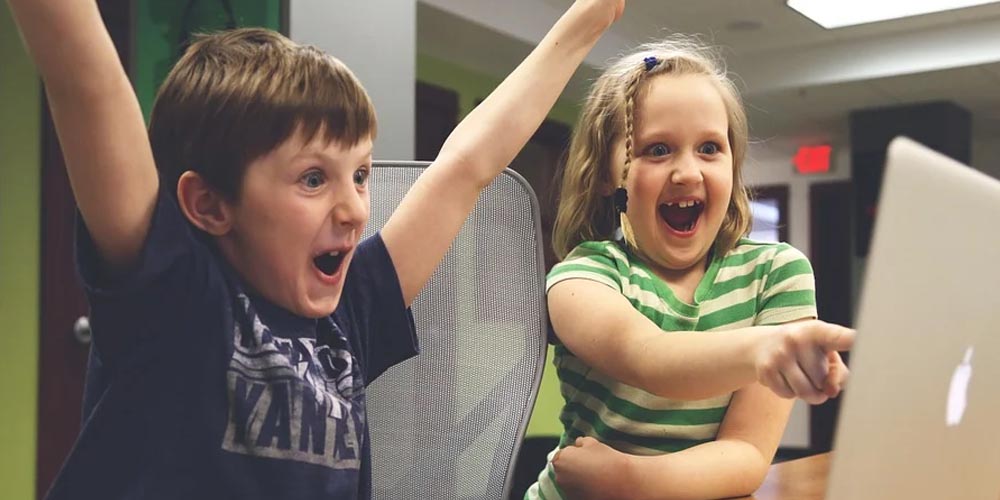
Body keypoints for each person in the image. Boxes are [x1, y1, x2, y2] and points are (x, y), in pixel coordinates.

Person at [4, 0, 623, 498]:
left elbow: (467, 166)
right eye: (312, 179)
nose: (356, 210)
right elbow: (85, 82)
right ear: (209, 205)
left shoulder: (351, 311)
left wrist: (590, 16)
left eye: (360, 175)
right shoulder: (174, 292)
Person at [525, 36, 855, 500]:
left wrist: (630, 480)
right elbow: (649, 357)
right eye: (658, 149)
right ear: (605, 176)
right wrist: (766, 348)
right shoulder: (583, 277)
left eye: (709, 148)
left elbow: (746, 453)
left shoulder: (776, 274)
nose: (687, 173)